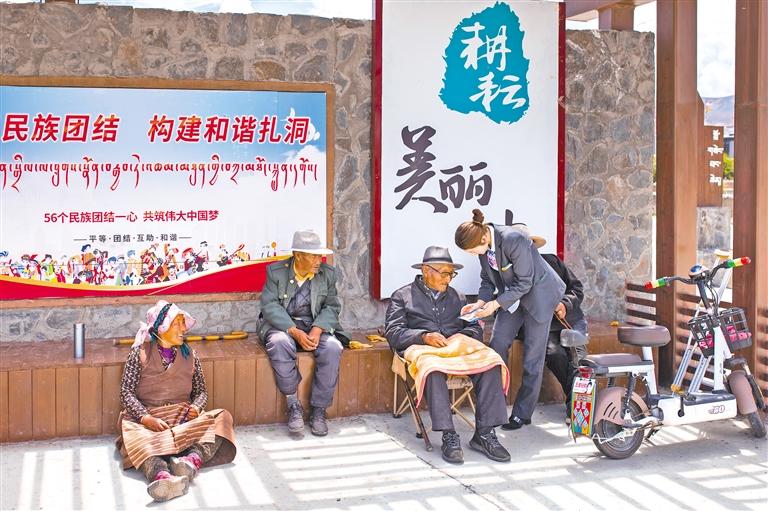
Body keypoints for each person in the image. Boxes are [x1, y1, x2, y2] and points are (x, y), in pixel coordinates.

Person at [385, 246, 511, 464]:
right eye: (444, 273)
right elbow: (393, 332)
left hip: (456, 349)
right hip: (423, 349)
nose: (448, 279)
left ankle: (484, 433)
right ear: (426, 271)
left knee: (491, 363)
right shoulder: (402, 296)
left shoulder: (457, 296)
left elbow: (474, 328)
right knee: (432, 369)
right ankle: (449, 435)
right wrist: (424, 336)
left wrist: (462, 337)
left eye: (451, 274)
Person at [455, 209, 565, 430]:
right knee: (497, 345)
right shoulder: (484, 247)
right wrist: (479, 303)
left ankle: (522, 413)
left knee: (533, 357)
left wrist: (495, 304)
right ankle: (495, 407)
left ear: (483, 238)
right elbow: (488, 280)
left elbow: (525, 282)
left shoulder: (513, 238)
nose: (473, 255)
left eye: (472, 251)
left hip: (539, 296)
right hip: (512, 298)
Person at [117, 300, 236, 502]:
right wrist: (146, 419)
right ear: (162, 328)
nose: (183, 329)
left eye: (183, 324)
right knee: (135, 437)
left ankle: (190, 461)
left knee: (222, 418)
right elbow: (126, 393)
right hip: (149, 422)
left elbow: (201, 392)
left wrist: (196, 407)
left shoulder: (190, 355)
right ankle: (163, 477)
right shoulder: (139, 353)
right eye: (177, 324)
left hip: (182, 420)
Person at [258, 230, 349, 437]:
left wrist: (318, 329)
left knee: (333, 347)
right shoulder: (276, 272)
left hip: (314, 325)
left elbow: (332, 306)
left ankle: (319, 409)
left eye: (320, 256)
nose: (319, 261)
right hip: (284, 326)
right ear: (298, 255)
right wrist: (294, 331)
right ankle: (293, 404)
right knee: (279, 343)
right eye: (314, 256)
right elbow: (270, 306)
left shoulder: (327, 274)